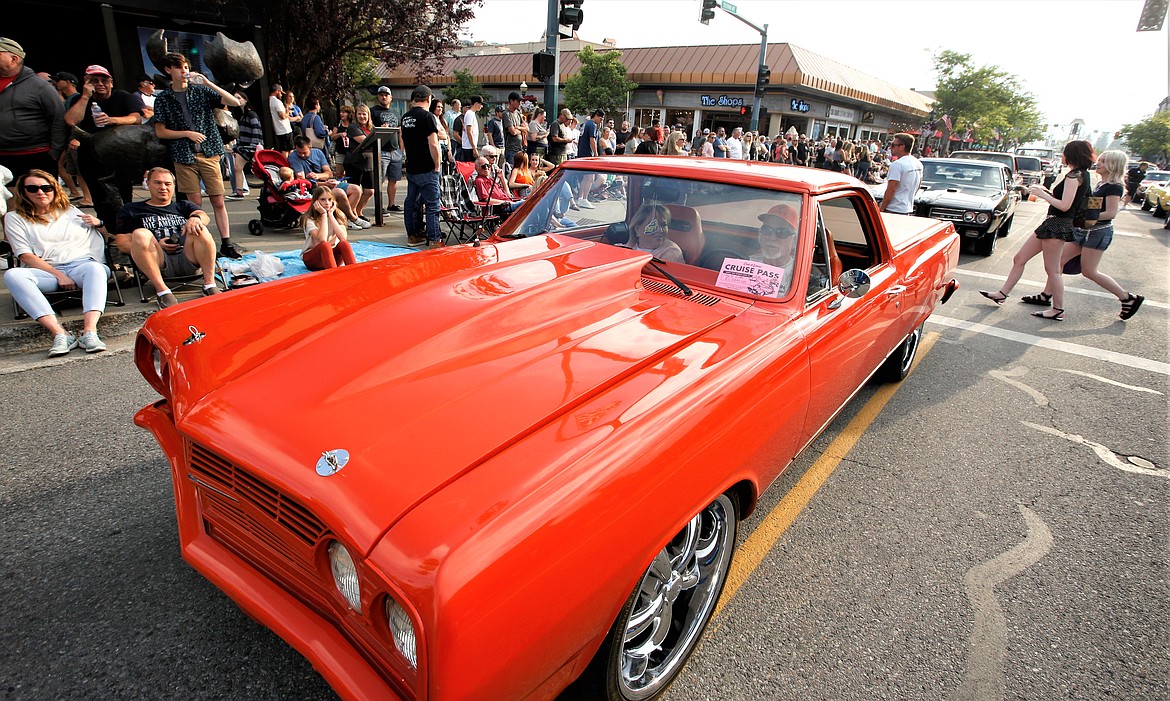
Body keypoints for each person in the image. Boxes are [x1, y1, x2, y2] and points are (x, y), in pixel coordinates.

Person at [1013, 150, 1143, 320]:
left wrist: (1082, 217)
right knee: (1058, 263)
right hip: (1084, 231)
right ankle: (1046, 295)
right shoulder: (1100, 184)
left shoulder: (1114, 187)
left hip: (1097, 233)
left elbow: (1111, 213)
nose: (1099, 163)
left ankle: (1127, 298)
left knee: (1089, 271)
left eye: (1103, 161)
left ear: (1113, 165)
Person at [979, 140, 1096, 321]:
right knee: (1020, 258)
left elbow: (1065, 206)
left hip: (1057, 225)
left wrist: (1043, 195)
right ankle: (1002, 293)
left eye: (1064, 152)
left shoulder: (1075, 176)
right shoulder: (1082, 175)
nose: (1062, 156)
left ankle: (1058, 308)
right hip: (1053, 224)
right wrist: (1046, 192)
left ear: (1071, 154)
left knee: (1053, 270)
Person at [3, 169, 110, 355]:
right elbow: (25, 255)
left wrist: (100, 225)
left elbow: (107, 239)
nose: (41, 192)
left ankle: (90, 331)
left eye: (46, 187)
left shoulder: (70, 211)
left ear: (55, 189)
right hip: (47, 270)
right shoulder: (14, 218)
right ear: (24, 192)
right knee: (12, 275)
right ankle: (60, 333)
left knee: (96, 269)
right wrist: (58, 274)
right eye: (33, 188)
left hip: (82, 265)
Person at [152, 52, 245, 259]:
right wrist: (186, 134)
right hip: (184, 155)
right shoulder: (163, 98)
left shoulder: (201, 91)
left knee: (218, 200)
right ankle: (201, 243)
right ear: (169, 71)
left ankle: (226, 243)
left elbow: (234, 102)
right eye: (179, 68)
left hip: (209, 152)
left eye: (185, 67)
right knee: (195, 204)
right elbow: (160, 131)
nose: (184, 71)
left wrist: (208, 83)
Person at [114, 167, 220, 309]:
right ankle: (162, 291)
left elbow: (204, 216)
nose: (163, 187)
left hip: (188, 256)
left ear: (173, 186)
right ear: (148, 184)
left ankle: (209, 284)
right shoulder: (131, 209)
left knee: (201, 228)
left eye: (167, 184)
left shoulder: (182, 205)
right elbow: (122, 244)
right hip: (157, 260)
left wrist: (195, 218)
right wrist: (155, 244)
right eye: (157, 183)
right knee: (140, 233)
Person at [0, 39, 68, 179]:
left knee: (38, 197)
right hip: (3, 157)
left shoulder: (40, 86)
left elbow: (58, 119)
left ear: (14, 59)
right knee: (9, 199)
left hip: (36, 154)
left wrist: (54, 153)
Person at [287, 135, 369, 228]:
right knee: (339, 192)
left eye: (304, 152)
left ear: (310, 147)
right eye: (299, 152)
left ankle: (344, 218)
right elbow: (302, 180)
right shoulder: (294, 157)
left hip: (327, 183)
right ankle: (353, 218)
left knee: (356, 189)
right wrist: (324, 182)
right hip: (313, 187)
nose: (302, 155)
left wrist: (318, 176)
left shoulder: (317, 152)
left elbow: (329, 173)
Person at [399, 84, 443, 249]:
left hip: (412, 167)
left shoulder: (405, 117)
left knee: (411, 203)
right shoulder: (428, 117)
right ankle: (434, 240)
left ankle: (412, 236)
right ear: (429, 98)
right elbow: (433, 143)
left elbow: (402, 139)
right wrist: (437, 164)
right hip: (427, 167)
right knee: (432, 205)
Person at [300, 185, 356, 270]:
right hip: (313, 258)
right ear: (316, 202)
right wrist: (323, 215)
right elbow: (322, 239)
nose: (327, 203)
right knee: (325, 245)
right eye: (323, 199)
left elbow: (343, 237)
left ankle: (355, 271)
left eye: (330, 199)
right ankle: (332, 276)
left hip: (332, 256)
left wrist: (331, 215)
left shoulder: (338, 215)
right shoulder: (309, 219)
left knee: (344, 244)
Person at [370, 86, 402, 212]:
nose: (384, 97)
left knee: (394, 180)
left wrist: (401, 149)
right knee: (380, 180)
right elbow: (369, 128)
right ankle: (379, 206)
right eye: (381, 95)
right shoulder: (373, 111)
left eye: (386, 95)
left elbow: (400, 132)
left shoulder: (396, 112)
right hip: (381, 149)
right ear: (378, 97)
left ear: (390, 97)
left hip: (395, 150)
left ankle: (391, 204)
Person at [878, 133, 922, 215]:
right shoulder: (918, 163)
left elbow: (891, 189)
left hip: (893, 209)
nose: (890, 147)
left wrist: (882, 209)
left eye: (893, 145)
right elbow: (918, 185)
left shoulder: (897, 164)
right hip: (907, 208)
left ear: (902, 147)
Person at [230, 92, 262, 199]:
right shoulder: (242, 115)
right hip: (243, 146)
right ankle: (239, 191)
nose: (237, 100)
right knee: (237, 168)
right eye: (235, 98)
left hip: (250, 146)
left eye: (239, 98)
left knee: (261, 170)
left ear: (245, 99)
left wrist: (254, 145)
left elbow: (256, 129)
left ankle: (265, 191)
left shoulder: (251, 114)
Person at [503, 91, 528, 167]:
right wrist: (521, 129)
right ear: (511, 101)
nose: (520, 103)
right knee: (511, 170)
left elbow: (527, 128)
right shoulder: (506, 114)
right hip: (511, 149)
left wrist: (518, 127)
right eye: (518, 101)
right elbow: (513, 131)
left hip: (520, 148)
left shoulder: (518, 113)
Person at [268, 84, 293, 154]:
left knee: (284, 148)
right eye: (280, 93)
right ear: (277, 91)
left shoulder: (270, 100)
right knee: (288, 149)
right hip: (285, 130)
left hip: (279, 130)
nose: (281, 95)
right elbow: (282, 116)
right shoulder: (277, 102)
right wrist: (288, 112)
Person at [430, 98, 454, 167]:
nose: (440, 109)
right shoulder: (431, 118)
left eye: (441, 107)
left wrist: (449, 149)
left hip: (445, 148)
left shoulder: (443, 120)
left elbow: (447, 135)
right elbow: (440, 134)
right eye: (438, 107)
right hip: (438, 147)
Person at [460, 95, 483, 163]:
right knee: (470, 167)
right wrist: (474, 148)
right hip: (469, 147)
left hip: (470, 146)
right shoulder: (470, 114)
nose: (481, 106)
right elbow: (469, 132)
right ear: (476, 104)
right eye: (480, 104)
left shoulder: (471, 114)